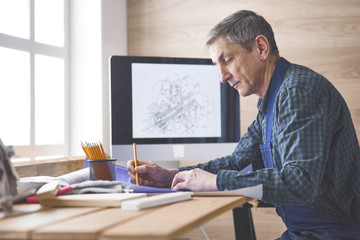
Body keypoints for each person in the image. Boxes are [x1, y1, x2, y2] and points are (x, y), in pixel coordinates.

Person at [127, 10, 360, 239]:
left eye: (227, 60)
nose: (222, 76)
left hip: (335, 232)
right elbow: (237, 162)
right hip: (305, 232)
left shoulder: (298, 91)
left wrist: (217, 181)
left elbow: (300, 182)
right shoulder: (271, 103)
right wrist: (174, 176)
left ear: (261, 48)